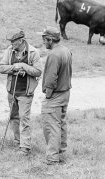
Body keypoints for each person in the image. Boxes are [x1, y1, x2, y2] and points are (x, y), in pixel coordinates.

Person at [0, 30, 42, 155]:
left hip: (25, 92)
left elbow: (38, 71)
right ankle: (18, 141)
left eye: (13, 41)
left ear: (21, 40)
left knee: (24, 119)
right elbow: (1, 68)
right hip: (11, 91)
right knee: (13, 117)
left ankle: (25, 147)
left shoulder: (33, 52)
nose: (11, 44)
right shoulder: (9, 51)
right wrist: (14, 68)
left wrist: (24, 66)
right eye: (11, 41)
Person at [38, 26, 72, 165]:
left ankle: (52, 158)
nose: (43, 42)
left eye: (45, 39)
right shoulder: (66, 50)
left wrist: (48, 96)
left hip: (55, 95)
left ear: (51, 39)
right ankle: (61, 154)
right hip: (65, 93)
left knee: (51, 126)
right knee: (61, 124)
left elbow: (51, 79)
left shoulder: (53, 54)